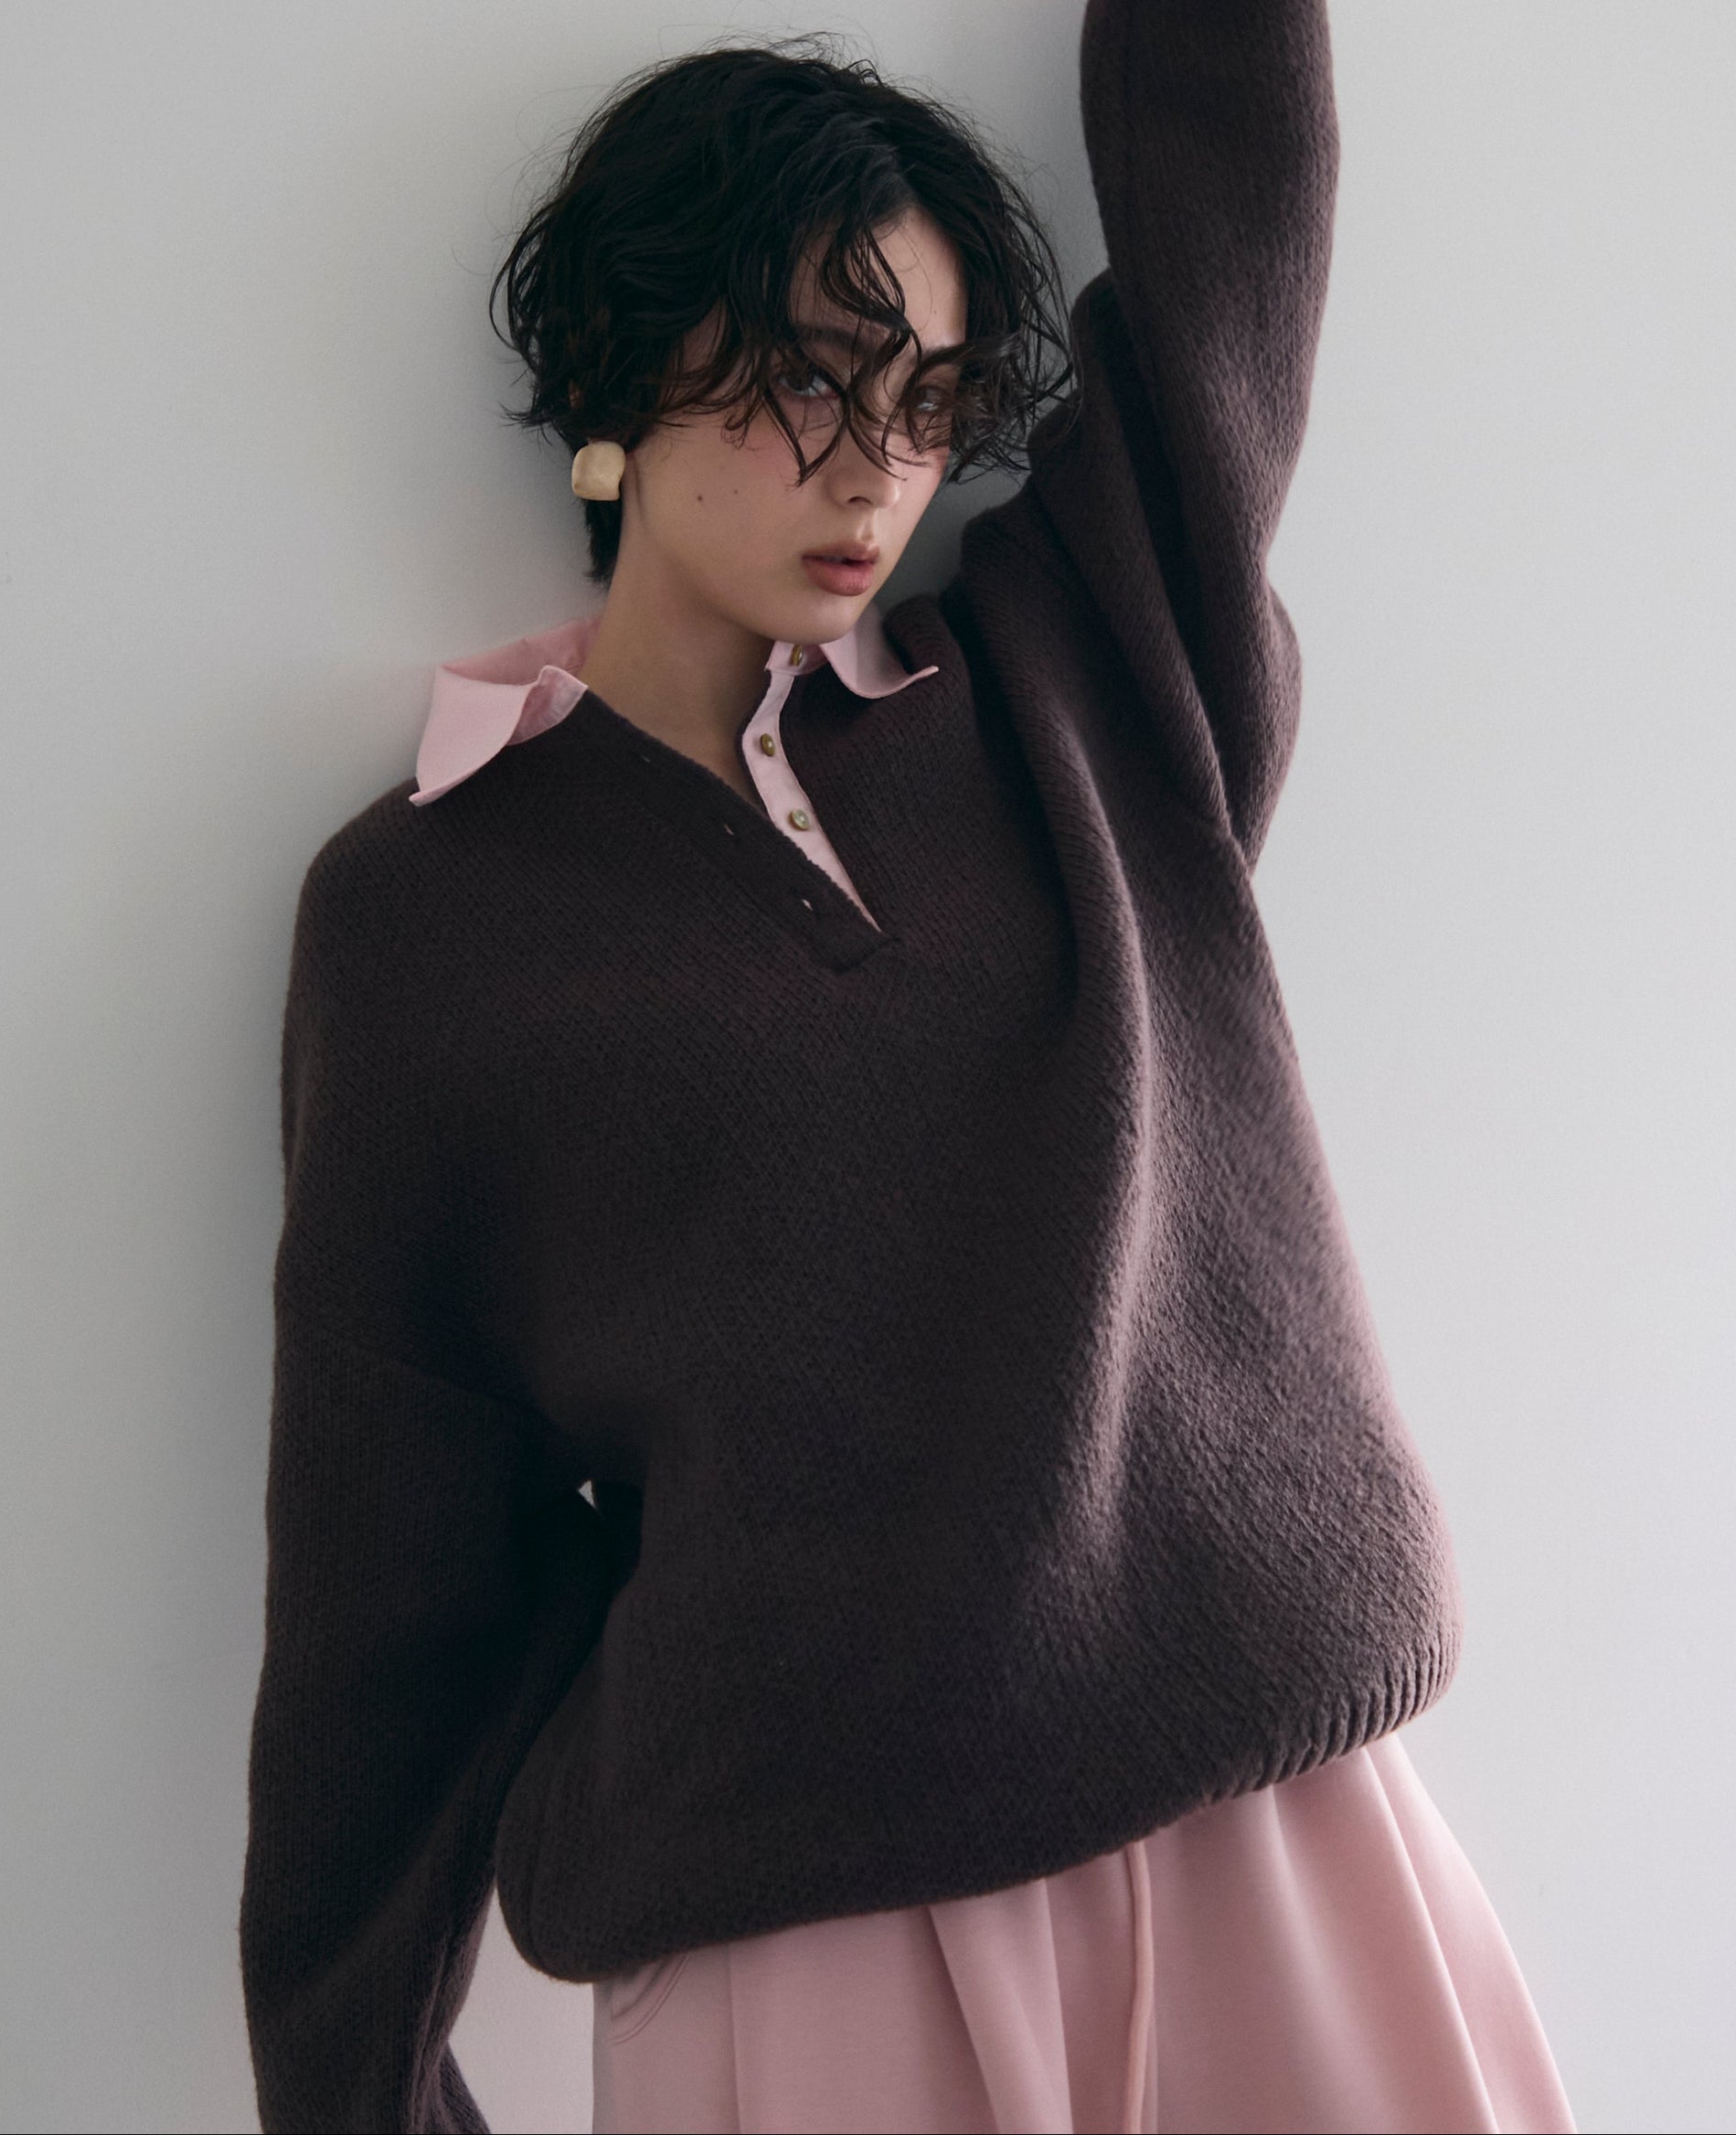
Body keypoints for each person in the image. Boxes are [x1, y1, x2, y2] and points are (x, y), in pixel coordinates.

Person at [238, 4, 1578, 2130]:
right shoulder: (424, 919)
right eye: (808, 381)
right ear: (618, 370)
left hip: (1268, 1819)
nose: (877, 465)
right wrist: (359, 2088)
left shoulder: (1081, 675)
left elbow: (1230, 217)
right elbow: (389, 1577)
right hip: (807, 1920)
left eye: (928, 399)